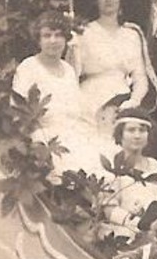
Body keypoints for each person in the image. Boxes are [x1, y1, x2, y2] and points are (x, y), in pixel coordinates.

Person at [69, 0, 157, 148]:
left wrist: (133, 102)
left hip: (123, 100)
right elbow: (72, 74)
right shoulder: (83, 31)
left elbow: (140, 77)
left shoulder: (132, 34)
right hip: (90, 100)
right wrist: (72, 48)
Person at [13, 10, 96, 171]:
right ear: (38, 40)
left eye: (58, 35)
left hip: (74, 134)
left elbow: (77, 108)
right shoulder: (28, 67)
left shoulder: (69, 70)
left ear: (66, 39)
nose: (53, 40)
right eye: (47, 35)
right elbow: (18, 114)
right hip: (43, 137)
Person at [102, 107, 157, 244]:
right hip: (122, 234)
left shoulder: (156, 167)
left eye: (142, 130)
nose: (137, 135)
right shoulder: (113, 166)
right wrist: (137, 224)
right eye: (131, 130)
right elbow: (108, 207)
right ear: (120, 134)